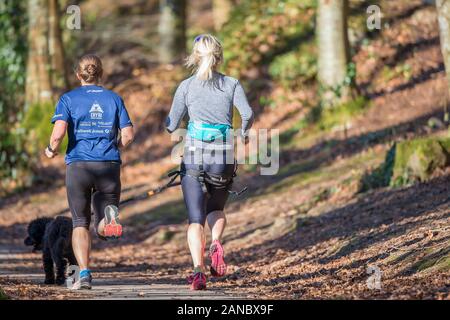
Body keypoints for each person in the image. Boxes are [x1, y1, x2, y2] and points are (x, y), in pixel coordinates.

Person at [166, 34, 254, 290]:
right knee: (215, 209)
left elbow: (172, 123)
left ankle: (198, 272)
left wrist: (170, 125)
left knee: (195, 219)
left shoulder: (186, 86)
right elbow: (247, 114)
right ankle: (216, 242)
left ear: (195, 57)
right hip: (223, 156)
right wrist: (244, 134)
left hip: (194, 156)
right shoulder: (232, 84)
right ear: (219, 56)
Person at [44, 54, 134, 290]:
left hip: (79, 166)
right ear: (101, 73)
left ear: (78, 74)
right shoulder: (114, 98)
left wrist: (50, 150)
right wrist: (115, 147)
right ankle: (107, 222)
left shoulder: (68, 99)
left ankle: (84, 273)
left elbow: (58, 134)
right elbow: (128, 135)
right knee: (104, 216)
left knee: (80, 223)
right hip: (109, 165)